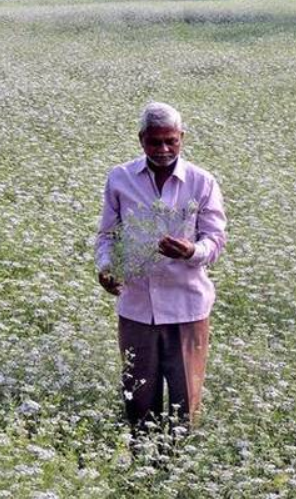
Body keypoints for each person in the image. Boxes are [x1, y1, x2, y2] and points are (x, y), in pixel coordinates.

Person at [95, 102, 227, 432]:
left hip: (187, 307)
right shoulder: (120, 178)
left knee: (186, 404)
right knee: (138, 402)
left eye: (171, 140)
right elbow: (108, 234)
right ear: (141, 139)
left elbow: (216, 240)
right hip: (137, 308)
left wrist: (191, 251)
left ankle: (181, 468)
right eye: (155, 142)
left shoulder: (202, 181)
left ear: (182, 137)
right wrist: (107, 268)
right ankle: (144, 468)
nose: (164, 149)